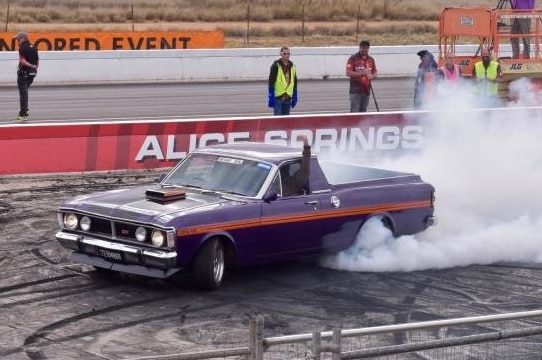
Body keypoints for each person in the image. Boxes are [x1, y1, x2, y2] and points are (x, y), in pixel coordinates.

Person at [345, 40, 378, 113]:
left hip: (366, 89)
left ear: (368, 48)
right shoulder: (353, 58)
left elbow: (375, 72)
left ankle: (362, 124)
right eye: (363, 48)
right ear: (360, 48)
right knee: (355, 111)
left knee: (363, 111)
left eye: (366, 48)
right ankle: (353, 124)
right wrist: (361, 73)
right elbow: (348, 72)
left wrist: (372, 76)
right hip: (355, 90)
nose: (365, 49)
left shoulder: (371, 59)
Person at [14, 31, 39, 122]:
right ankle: (24, 110)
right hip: (32, 74)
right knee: (25, 93)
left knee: (23, 94)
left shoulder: (22, 48)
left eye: (18, 39)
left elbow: (22, 61)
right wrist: (35, 69)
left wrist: (30, 66)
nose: (17, 41)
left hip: (24, 73)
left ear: (22, 38)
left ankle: (23, 114)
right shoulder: (33, 47)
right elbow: (37, 60)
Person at [268, 46, 298, 116]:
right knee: (277, 120)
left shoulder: (293, 66)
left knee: (286, 121)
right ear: (281, 54)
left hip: (288, 97)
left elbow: (295, 82)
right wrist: (271, 95)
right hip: (278, 97)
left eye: (288, 53)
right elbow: (271, 82)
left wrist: (295, 95)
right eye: (285, 53)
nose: (287, 55)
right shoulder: (275, 66)